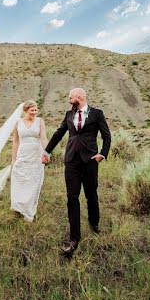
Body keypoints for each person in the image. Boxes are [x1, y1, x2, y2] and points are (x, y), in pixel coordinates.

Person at [42, 87, 111, 255]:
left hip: (90, 160)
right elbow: (59, 134)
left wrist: (102, 154)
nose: (68, 100)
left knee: (91, 194)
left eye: (70, 97)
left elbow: (106, 136)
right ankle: (74, 238)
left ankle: (94, 225)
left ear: (79, 97)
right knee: (72, 197)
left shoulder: (97, 114)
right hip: (71, 160)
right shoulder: (68, 115)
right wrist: (46, 151)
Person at [10, 100, 47, 221]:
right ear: (26, 111)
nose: (35, 112)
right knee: (20, 180)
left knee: (34, 182)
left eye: (36, 110)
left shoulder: (40, 121)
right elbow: (15, 142)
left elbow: (43, 138)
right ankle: (19, 206)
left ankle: (30, 210)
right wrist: (13, 159)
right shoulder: (18, 123)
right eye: (32, 110)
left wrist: (46, 152)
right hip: (23, 155)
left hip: (36, 156)